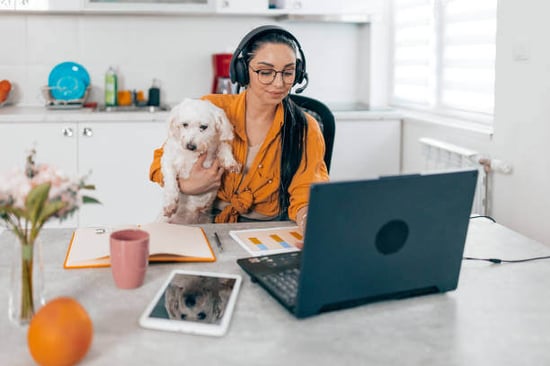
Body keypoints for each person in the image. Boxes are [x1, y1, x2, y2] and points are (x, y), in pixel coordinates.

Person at [149, 25, 329, 234]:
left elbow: (306, 193)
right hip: (209, 225)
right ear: (243, 71)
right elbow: (159, 162)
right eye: (265, 72)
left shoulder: (306, 128)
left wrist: (309, 223)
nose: (278, 82)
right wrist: (187, 185)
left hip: (268, 230)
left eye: (288, 73)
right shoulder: (212, 111)